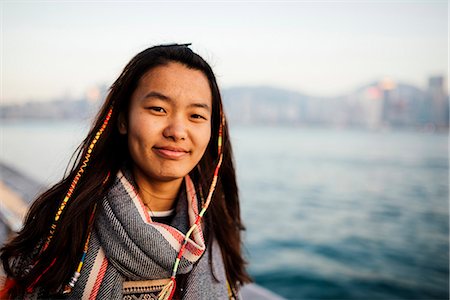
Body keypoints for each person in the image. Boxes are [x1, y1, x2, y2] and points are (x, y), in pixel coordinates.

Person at [0, 43, 251, 299]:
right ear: (122, 119)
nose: (176, 131)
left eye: (196, 116)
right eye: (158, 109)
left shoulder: (216, 224)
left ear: (212, 131)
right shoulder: (66, 223)